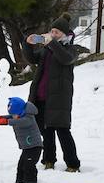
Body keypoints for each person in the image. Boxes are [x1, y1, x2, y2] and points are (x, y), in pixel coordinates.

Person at [26, 17, 82, 172]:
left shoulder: (71, 49)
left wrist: (51, 42)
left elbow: (65, 59)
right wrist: (28, 44)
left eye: (56, 32)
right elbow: (31, 58)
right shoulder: (47, 49)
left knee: (63, 131)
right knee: (46, 131)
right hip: (42, 96)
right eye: (52, 31)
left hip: (59, 99)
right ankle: (48, 160)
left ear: (64, 34)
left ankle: (72, 164)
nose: (53, 34)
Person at [0, 96, 44, 183]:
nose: (13, 116)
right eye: (12, 114)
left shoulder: (29, 118)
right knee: (21, 166)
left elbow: (20, 122)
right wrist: (2, 118)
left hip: (35, 147)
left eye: (14, 114)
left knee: (29, 166)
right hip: (27, 147)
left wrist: (7, 122)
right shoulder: (18, 115)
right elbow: (11, 117)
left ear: (22, 112)